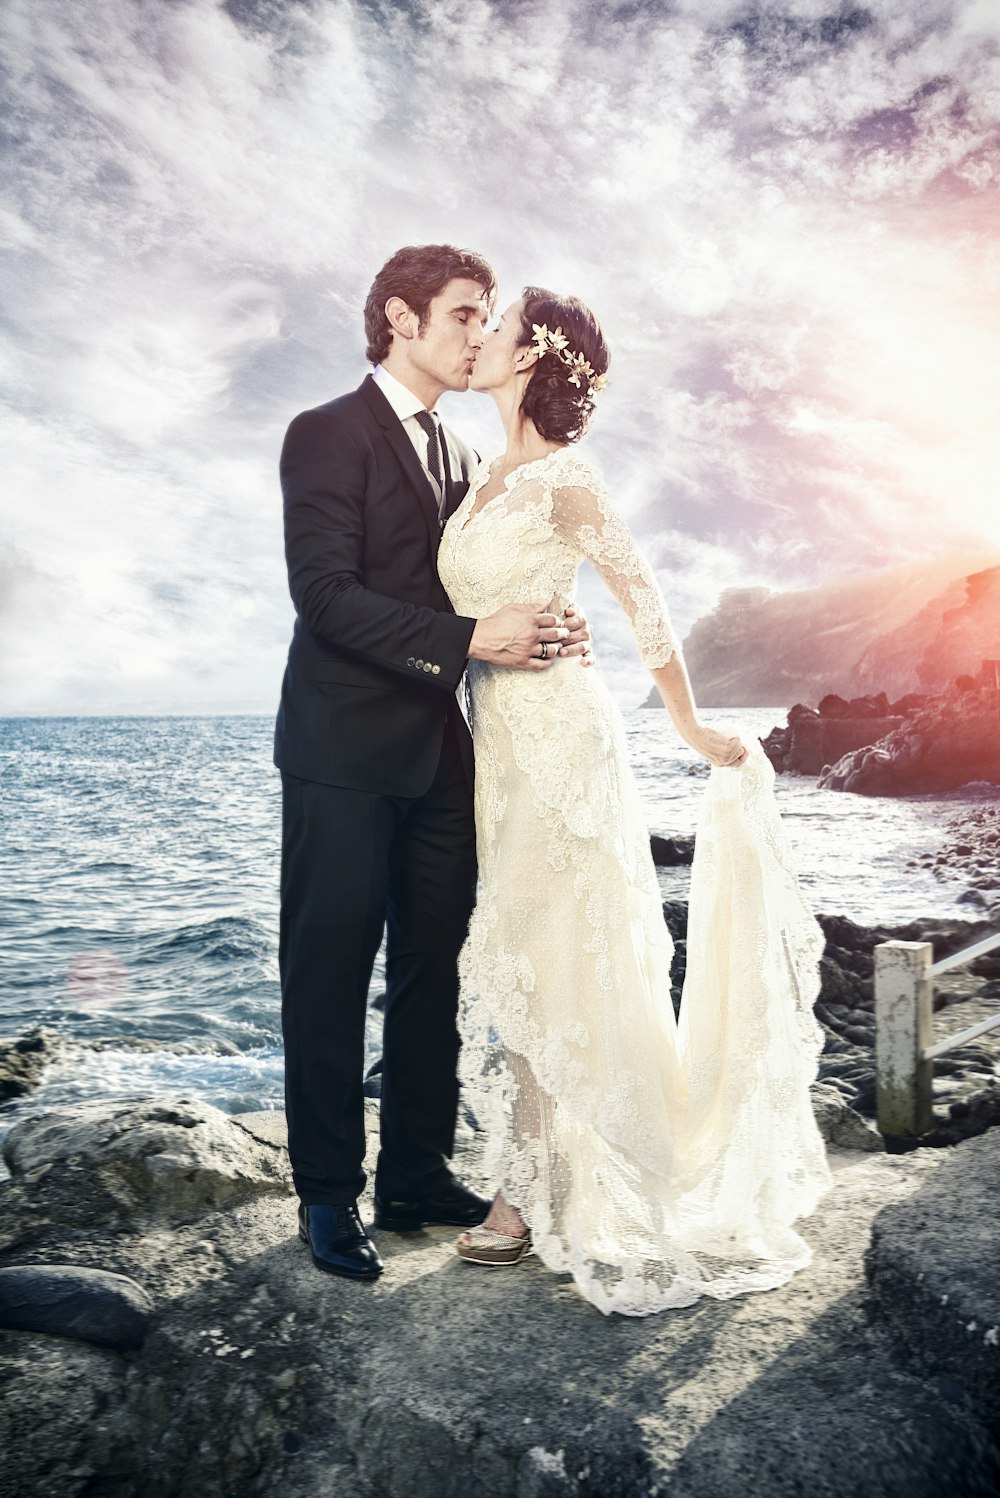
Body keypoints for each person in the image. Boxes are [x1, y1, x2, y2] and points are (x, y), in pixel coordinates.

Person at [438, 288, 833, 1316]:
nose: (476, 341)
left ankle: (525, 1198)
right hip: (492, 744)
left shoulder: (565, 477)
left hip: (560, 742)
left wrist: (690, 727)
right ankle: (546, 1177)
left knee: (549, 951)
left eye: (495, 326)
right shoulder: (480, 477)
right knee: (527, 954)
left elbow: (641, 595)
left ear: (535, 356)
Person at [274, 247, 592, 1281]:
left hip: (445, 758)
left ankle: (413, 1170)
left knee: (433, 972)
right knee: (327, 974)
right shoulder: (323, 433)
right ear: (401, 319)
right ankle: (328, 1194)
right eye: (462, 314)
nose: (478, 331)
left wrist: (548, 624)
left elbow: (489, 590)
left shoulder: (464, 457)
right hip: (339, 753)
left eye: (485, 316)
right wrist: (467, 641)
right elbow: (323, 596)